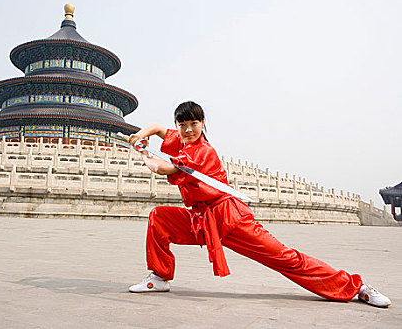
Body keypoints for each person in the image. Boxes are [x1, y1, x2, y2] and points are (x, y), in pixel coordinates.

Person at [127, 101, 391, 308]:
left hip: (229, 219)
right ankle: (159, 278)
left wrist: (144, 153)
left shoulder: (202, 151)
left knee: (285, 258)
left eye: (193, 124)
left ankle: (356, 287)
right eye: (182, 124)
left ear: (203, 124)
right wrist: (142, 133)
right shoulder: (182, 139)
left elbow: (162, 167)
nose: (187, 129)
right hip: (202, 220)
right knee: (159, 217)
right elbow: (158, 128)